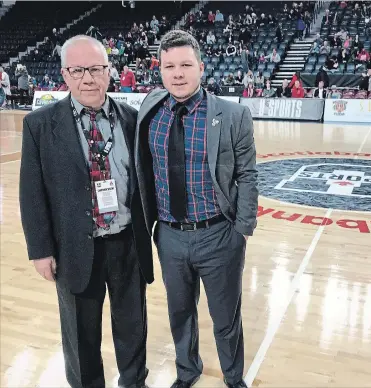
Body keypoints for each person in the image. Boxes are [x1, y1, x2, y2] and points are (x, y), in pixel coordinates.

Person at [19, 35, 153, 388]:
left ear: (110, 71)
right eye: (78, 71)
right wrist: (40, 250)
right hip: (74, 248)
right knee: (80, 338)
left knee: (132, 329)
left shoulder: (132, 119)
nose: (88, 79)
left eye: (95, 69)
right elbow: (31, 193)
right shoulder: (40, 125)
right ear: (65, 74)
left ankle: (134, 382)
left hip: (127, 246)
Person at [135, 30, 258, 388]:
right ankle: (187, 372)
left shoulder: (232, 115)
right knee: (180, 314)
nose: (177, 73)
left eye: (186, 65)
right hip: (170, 237)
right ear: (159, 71)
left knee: (225, 318)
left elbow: (248, 175)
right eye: (169, 66)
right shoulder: (150, 109)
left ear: (201, 68)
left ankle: (233, 378)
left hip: (219, 234)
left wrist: (242, 230)